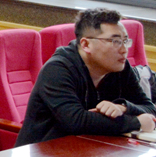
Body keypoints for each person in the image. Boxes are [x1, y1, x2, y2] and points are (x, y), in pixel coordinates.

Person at [17, 8, 156, 146]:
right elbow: (76, 121)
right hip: (44, 152)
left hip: (91, 149)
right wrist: (137, 122)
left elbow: (150, 108)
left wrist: (122, 108)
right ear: (86, 44)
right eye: (115, 41)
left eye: (125, 41)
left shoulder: (120, 67)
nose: (124, 50)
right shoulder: (57, 69)